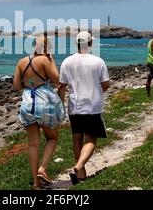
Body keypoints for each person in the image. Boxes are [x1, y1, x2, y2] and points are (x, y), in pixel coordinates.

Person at [13, 36, 66, 189]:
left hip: (28, 102)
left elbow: (16, 85)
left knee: (33, 144)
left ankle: (36, 183)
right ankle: (42, 169)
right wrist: (52, 60)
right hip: (44, 102)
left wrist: (30, 85)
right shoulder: (45, 60)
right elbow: (58, 79)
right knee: (52, 138)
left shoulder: (22, 62)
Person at [58, 31, 110, 185]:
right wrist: (97, 93)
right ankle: (79, 166)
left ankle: (81, 175)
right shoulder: (98, 61)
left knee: (77, 137)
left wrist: (61, 105)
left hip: (75, 105)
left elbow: (61, 86)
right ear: (91, 43)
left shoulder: (67, 61)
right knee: (91, 138)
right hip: (93, 105)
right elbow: (105, 84)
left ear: (77, 43)